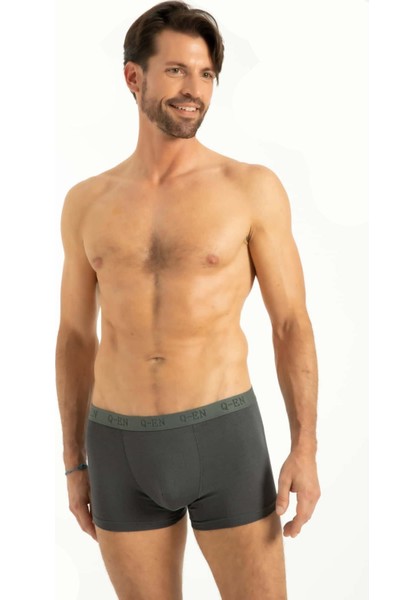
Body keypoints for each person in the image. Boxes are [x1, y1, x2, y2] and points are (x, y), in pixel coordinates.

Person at [55, 2, 321, 598]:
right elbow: (74, 336)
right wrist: (74, 462)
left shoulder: (249, 188)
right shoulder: (86, 203)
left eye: (205, 75)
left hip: (223, 438)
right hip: (117, 447)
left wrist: (304, 447)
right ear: (134, 77)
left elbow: (290, 323)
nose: (193, 90)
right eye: (176, 70)